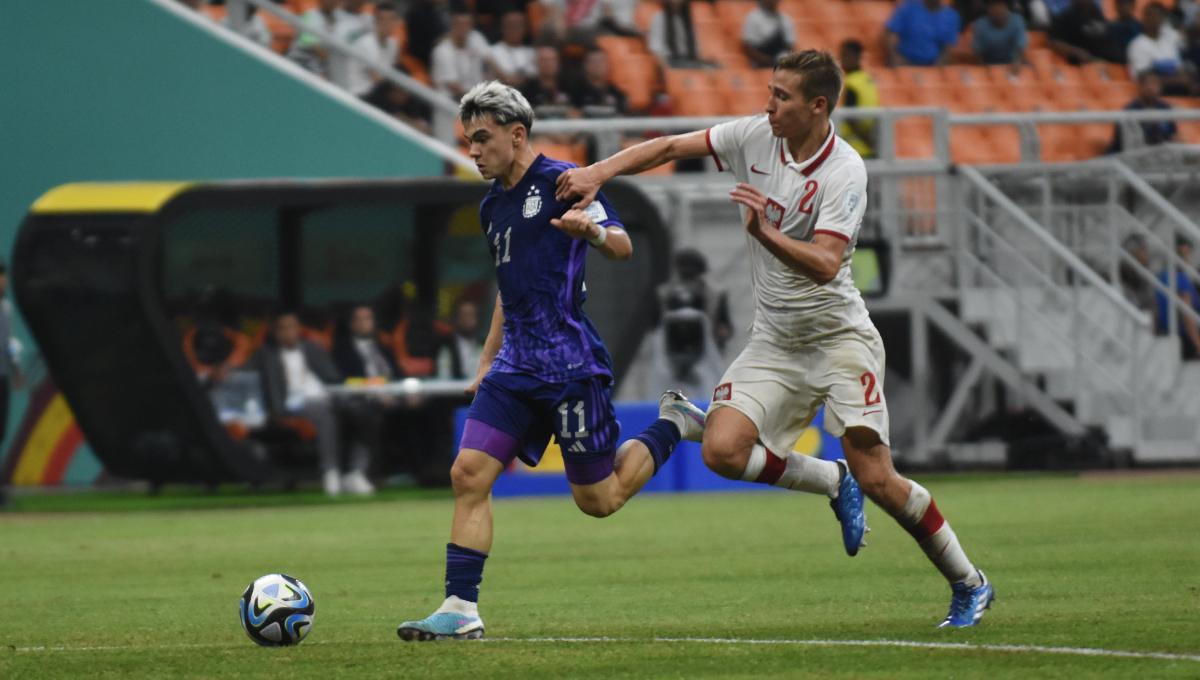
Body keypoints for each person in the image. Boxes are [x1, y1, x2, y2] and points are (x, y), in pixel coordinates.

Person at [556, 49, 995, 628]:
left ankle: (969, 582)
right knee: (722, 451)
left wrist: (764, 230)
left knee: (881, 479)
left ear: (817, 106)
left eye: (782, 96)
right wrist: (597, 173)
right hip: (775, 342)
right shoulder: (754, 136)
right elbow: (665, 148)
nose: (769, 105)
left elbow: (826, 262)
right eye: (769, 91)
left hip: (840, 339)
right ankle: (831, 481)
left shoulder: (845, 171)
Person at [396, 81, 705, 641]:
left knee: (599, 499)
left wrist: (592, 229)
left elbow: (623, 245)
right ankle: (461, 609)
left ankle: (674, 424)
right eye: (468, 140)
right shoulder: (492, 206)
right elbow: (506, 289)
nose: (473, 151)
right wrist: (488, 360)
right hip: (515, 367)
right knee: (468, 474)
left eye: (482, 138)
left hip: (569, 367)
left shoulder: (567, 181)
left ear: (517, 135)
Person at [251, 311, 372, 496]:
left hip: (325, 397)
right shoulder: (266, 355)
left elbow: (333, 378)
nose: (289, 332)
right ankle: (330, 471)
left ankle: (356, 472)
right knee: (323, 411)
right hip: (292, 404)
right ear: (275, 332)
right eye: (283, 328)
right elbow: (246, 375)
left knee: (361, 411)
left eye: (292, 327)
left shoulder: (313, 349)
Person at [1128, 2, 1198, 94]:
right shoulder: (1137, 44)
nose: (1154, 19)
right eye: (1151, 16)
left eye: (1158, 16)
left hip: (1179, 89)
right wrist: (1178, 81)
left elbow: (1179, 67)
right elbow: (1144, 78)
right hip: (1154, 95)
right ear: (1144, 18)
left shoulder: (1168, 40)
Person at [430, 3, 496, 99]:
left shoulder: (475, 39)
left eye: (467, 24)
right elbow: (453, 86)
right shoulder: (442, 50)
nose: (463, 28)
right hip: (449, 102)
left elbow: (491, 61)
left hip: (473, 100)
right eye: (459, 25)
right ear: (452, 26)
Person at [1108, 70, 1178, 152]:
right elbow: (1122, 143)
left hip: (1161, 154)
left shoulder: (1165, 108)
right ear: (1140, 86)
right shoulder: (1130, 110)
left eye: (1155, 84)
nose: (1151, 88)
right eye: (1147, 84)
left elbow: (1173, 135)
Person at [344, 2, 401, 98]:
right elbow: (377, 78)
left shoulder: (394, 45)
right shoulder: (364, 44)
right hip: (361, 94)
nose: (386, 24)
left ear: (395, 22)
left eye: (391, 20)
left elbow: (393, 72)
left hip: (379, 95)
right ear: (375, 21)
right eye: (382, 20)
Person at [1156, 237, 1200, 359]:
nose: (1189, 257)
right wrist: (1197, 344)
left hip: (1168, 331)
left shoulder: (1162, 275)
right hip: (1185, 338)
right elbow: (1187, 316)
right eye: (1187, 252)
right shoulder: (1180, 279)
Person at [838, 39, 880, 159]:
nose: (842, 60)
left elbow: (851, 118)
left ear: (857, 56)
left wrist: (867, 140)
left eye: (845, 55)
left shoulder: (851, 83)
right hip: (870, 146)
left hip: (855, 149)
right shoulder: (868, 80)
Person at [886, 0, 962, 66]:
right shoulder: (909, 7)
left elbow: (947, 48)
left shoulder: (951, 16)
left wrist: (937, 68)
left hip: (930, 65)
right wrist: (894, 57)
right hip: (904, 61)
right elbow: (889, 33)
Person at [1050, 0, 1124, 64]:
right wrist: (1076, 52)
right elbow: (1054, 42)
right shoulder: (1066, 17)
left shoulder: (1097, 14)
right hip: (1088, 65)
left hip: (1111, 62)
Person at [569, 48, 628, 117]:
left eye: (601, 61)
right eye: (594, 61)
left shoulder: (618, 94)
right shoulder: (576, 94)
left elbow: (623, 119)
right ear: (585, 65)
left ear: (608, 65)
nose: (598, 65)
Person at [648, 0, 704, 68]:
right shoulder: (660, 17)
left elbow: (697, 45)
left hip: (689, 60)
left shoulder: (689, 18)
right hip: (670, 60)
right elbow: (656, 47)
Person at [971, 0, 1029, 66]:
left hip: (1011, 62)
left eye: (1000, 6)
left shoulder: (1017, 21)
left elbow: (1020, 47)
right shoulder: (980, 24)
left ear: (1006, 7)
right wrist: (982, 68)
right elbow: (977, 51)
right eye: (993, 6)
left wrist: (1017, 62)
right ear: (987, 9)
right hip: (989, 63)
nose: (996, 9)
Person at [742, 0, 798, 68]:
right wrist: (767, 61)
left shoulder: (785, 19)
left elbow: (791, 46)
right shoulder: (754, 18)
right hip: (760, 63)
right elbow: (747, 46)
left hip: (781, 61)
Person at [490, 10, 537, 86]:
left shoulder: (532, 52)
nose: (515, 30)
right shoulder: (492, 52)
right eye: (510, 26)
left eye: (519, 26)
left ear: (525, 29)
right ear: (503, 28)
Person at [1119, 234, 1157, 317]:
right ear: (1133, 253)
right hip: (1136, 313)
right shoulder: (1128, 270)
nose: (1147, 253)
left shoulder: (1144, 269)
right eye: (1143, 250)